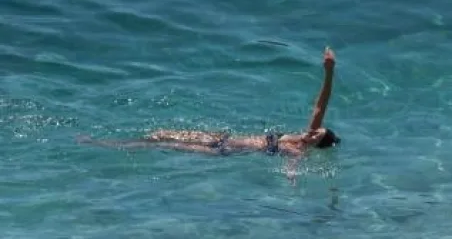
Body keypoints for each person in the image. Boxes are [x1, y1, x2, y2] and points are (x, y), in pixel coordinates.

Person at [81, 47, 340, 156]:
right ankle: (105, 142)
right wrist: (329, 71)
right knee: (159, 134)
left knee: (162, 146)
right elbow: (321, 103)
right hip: (221, 137)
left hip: (222, 152)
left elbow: (291, 168)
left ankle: (101, 143)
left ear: (317, 145)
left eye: (317, 136)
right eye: (316, 130)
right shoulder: (302, 135)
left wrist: (292, 179)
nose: (313, 132)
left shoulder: (296, 151)